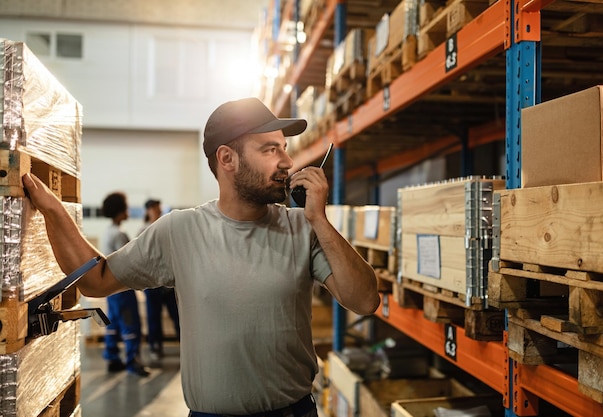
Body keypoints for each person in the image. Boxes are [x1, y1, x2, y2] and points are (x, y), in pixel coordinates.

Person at [21, 97, 380, 416]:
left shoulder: (302, 228)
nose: (287, 161)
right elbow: (95, 280)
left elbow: (364, 300)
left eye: (284, 148)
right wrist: (53, 211)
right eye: (270, 149)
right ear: (227, 158)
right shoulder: (179, 231)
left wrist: (319, 220)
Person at [100, 192, 150, 377]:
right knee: (131, 326)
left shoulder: (108, 231)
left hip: (111, 290)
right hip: (122, 288)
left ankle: (112, 358)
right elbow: (130, 261)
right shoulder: (120, 234)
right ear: (120, 210)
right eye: (126, 207)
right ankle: (133, 362)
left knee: (113, 324)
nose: (128, 211)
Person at [139, 198, 181, 361]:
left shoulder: (165, 228)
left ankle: (184, 347)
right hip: (152, 283)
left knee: (177, 315)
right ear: (148, 210)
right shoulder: (144, 230)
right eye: (155, 209)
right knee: (153, 317)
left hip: (168, 283)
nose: (158, 211)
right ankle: (155, 347)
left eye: (159, 208)